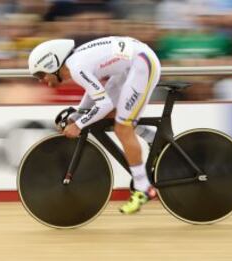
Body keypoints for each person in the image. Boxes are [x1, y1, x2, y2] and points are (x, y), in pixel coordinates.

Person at [28, 36, 161, 214]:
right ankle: (152, 138)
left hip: (142, 64)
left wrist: (79, 124)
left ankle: (143, 188)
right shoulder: (75, 65)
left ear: (51, 65)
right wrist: (78, 114)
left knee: (122, 127)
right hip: (131, 65)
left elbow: (102, 103)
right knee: (115, 114)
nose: (40, 80)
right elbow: (95, 93)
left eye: (40, 75)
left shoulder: (76, 67)